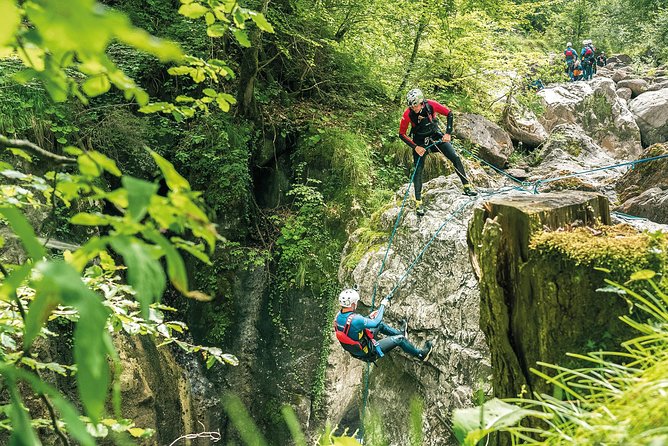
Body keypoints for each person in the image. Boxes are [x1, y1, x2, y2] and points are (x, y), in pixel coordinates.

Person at [399, 88, 477, 216]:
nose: (415, 109)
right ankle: (418, 202)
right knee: (418, 170)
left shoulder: (431, 105)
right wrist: (415, 147)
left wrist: (448, 133)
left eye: (416, 106)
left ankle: (467, 186)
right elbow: (401, 134)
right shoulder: (407, 113)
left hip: (436, 137)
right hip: (420, 143)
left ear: (421, 102)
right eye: (412, 107)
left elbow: (449, 113)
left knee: (455, 157)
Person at [333, 288, 433, 362]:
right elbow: (375, 322)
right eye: (356, 302)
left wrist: (368, 317)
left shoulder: (338, 317)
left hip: (359, 350)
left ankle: (400, 333)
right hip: (369, 352)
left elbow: (354, 327)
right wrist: (383, 305)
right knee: (399, 340)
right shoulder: (356, 319)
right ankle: (420, 355)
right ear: (353, 304)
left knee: (379, 325)